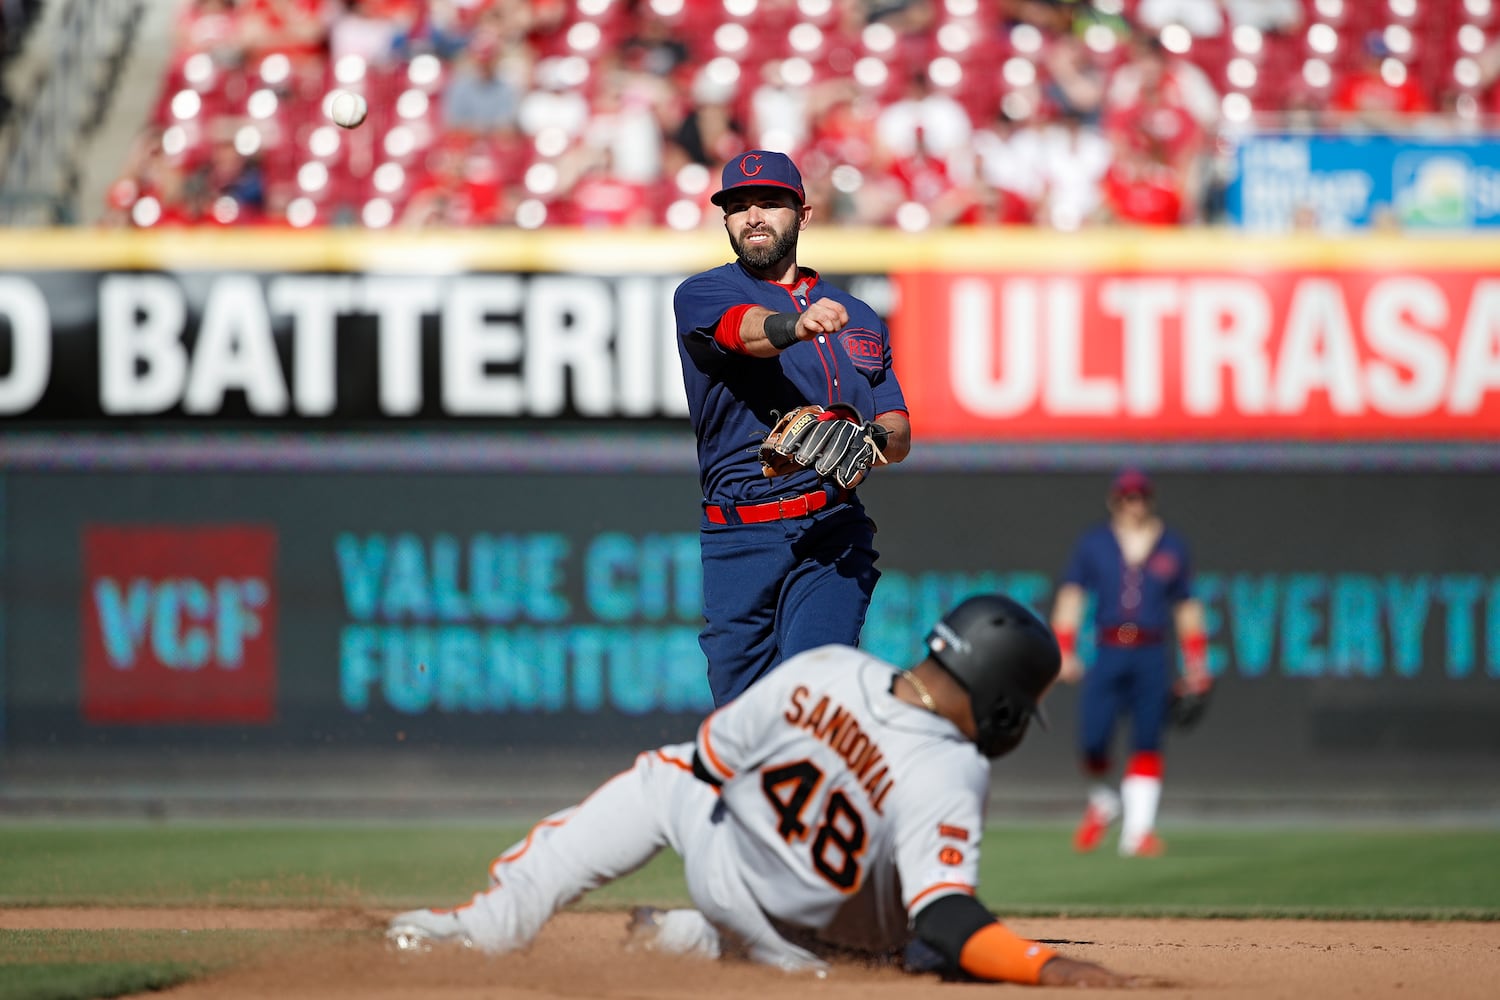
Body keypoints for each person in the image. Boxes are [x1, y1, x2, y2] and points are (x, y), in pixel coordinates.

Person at [387, 594, 1137, 988]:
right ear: (1003, 695)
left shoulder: (828, 668)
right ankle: (701, 939)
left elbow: (714, 756)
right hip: (809, 950)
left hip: (723, 865)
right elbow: (945, 915)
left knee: (668, 774)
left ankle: (485, 928)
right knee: (912, 947)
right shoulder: (950, 768)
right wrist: (1050, 965)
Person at [672, 150, 912, 706]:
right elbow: (743, 332)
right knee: (744, 726)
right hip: (741, 537)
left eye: (770, 203)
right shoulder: (704, 293)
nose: (753, 216)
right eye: (738, 206)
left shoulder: (857, 314)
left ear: (802, 214)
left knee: (808, 699)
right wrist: (795, 325)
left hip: (831, 533)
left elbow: (897, 429)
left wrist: (868, 441)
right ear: (726, 220)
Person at [1050, 469, 1212, 857]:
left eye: (1139, 497)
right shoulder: (1095, 544)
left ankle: (1138, 832)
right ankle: (1104, 800)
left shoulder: (1171, 545)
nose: (1132, 504)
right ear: (1114, 500)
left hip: (1151, 649)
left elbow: (1187, 606)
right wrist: (1064, 649)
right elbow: (1072, 596)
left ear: (1150, 500)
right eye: (1126, 497)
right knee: (1093, 739)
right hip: (1108, 647)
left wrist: (1197, 663)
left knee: (1148, 738)